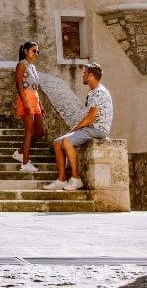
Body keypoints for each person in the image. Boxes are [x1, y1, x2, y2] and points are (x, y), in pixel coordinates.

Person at [43, 62, 112, 191]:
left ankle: (76, 179)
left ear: (91, 75)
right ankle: (62, 179)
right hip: (91, 128)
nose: (83, 76)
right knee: (57, 143)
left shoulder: (99, 93)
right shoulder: (94, 92)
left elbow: (91, 118)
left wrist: (76, 128)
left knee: (67, 141)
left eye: (85, 73)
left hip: (97, 129)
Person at [12, 40, 45, 173]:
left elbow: (35, 87)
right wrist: (25, 102)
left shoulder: (32, 66)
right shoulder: (21, 65)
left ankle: (20, 152)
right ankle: (25, 164)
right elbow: (18, 85)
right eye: (34, 51)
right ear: (26, 51)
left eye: (38, 51)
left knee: (40, 131)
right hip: (26, 99)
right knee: (30, 131)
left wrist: (40, 104)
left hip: (35, 100)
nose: (36, 53)